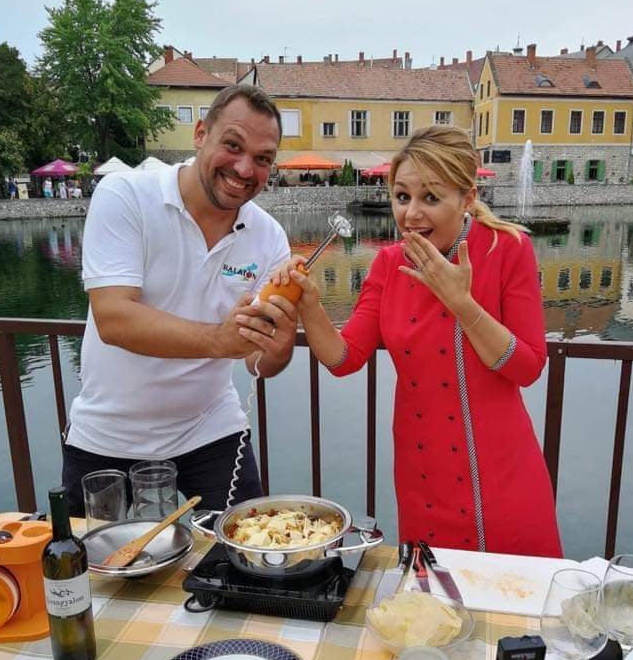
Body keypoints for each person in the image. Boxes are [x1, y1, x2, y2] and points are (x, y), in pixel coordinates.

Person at [268, 126, 562, 557]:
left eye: (430, 197)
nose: (411, 214)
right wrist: (310, 304)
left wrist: (462, 303)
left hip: (499, 476)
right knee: (430, 610)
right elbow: (344, 357)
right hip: (423, 473)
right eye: (402, 197)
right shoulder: (388, 264)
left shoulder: (507, 249)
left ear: (467, 198)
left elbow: (528, 367)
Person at [62, 84, 297, 516]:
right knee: (93, 574)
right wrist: (220, 341)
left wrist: (278, 347)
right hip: (106, 434)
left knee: (245, 560)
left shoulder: (270, 236)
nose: (245, 169)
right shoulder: (124, 195)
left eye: (263, 159)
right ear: (200, 134)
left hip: (212, 430)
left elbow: (256, 363)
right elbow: (114, 318)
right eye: (232, 145)